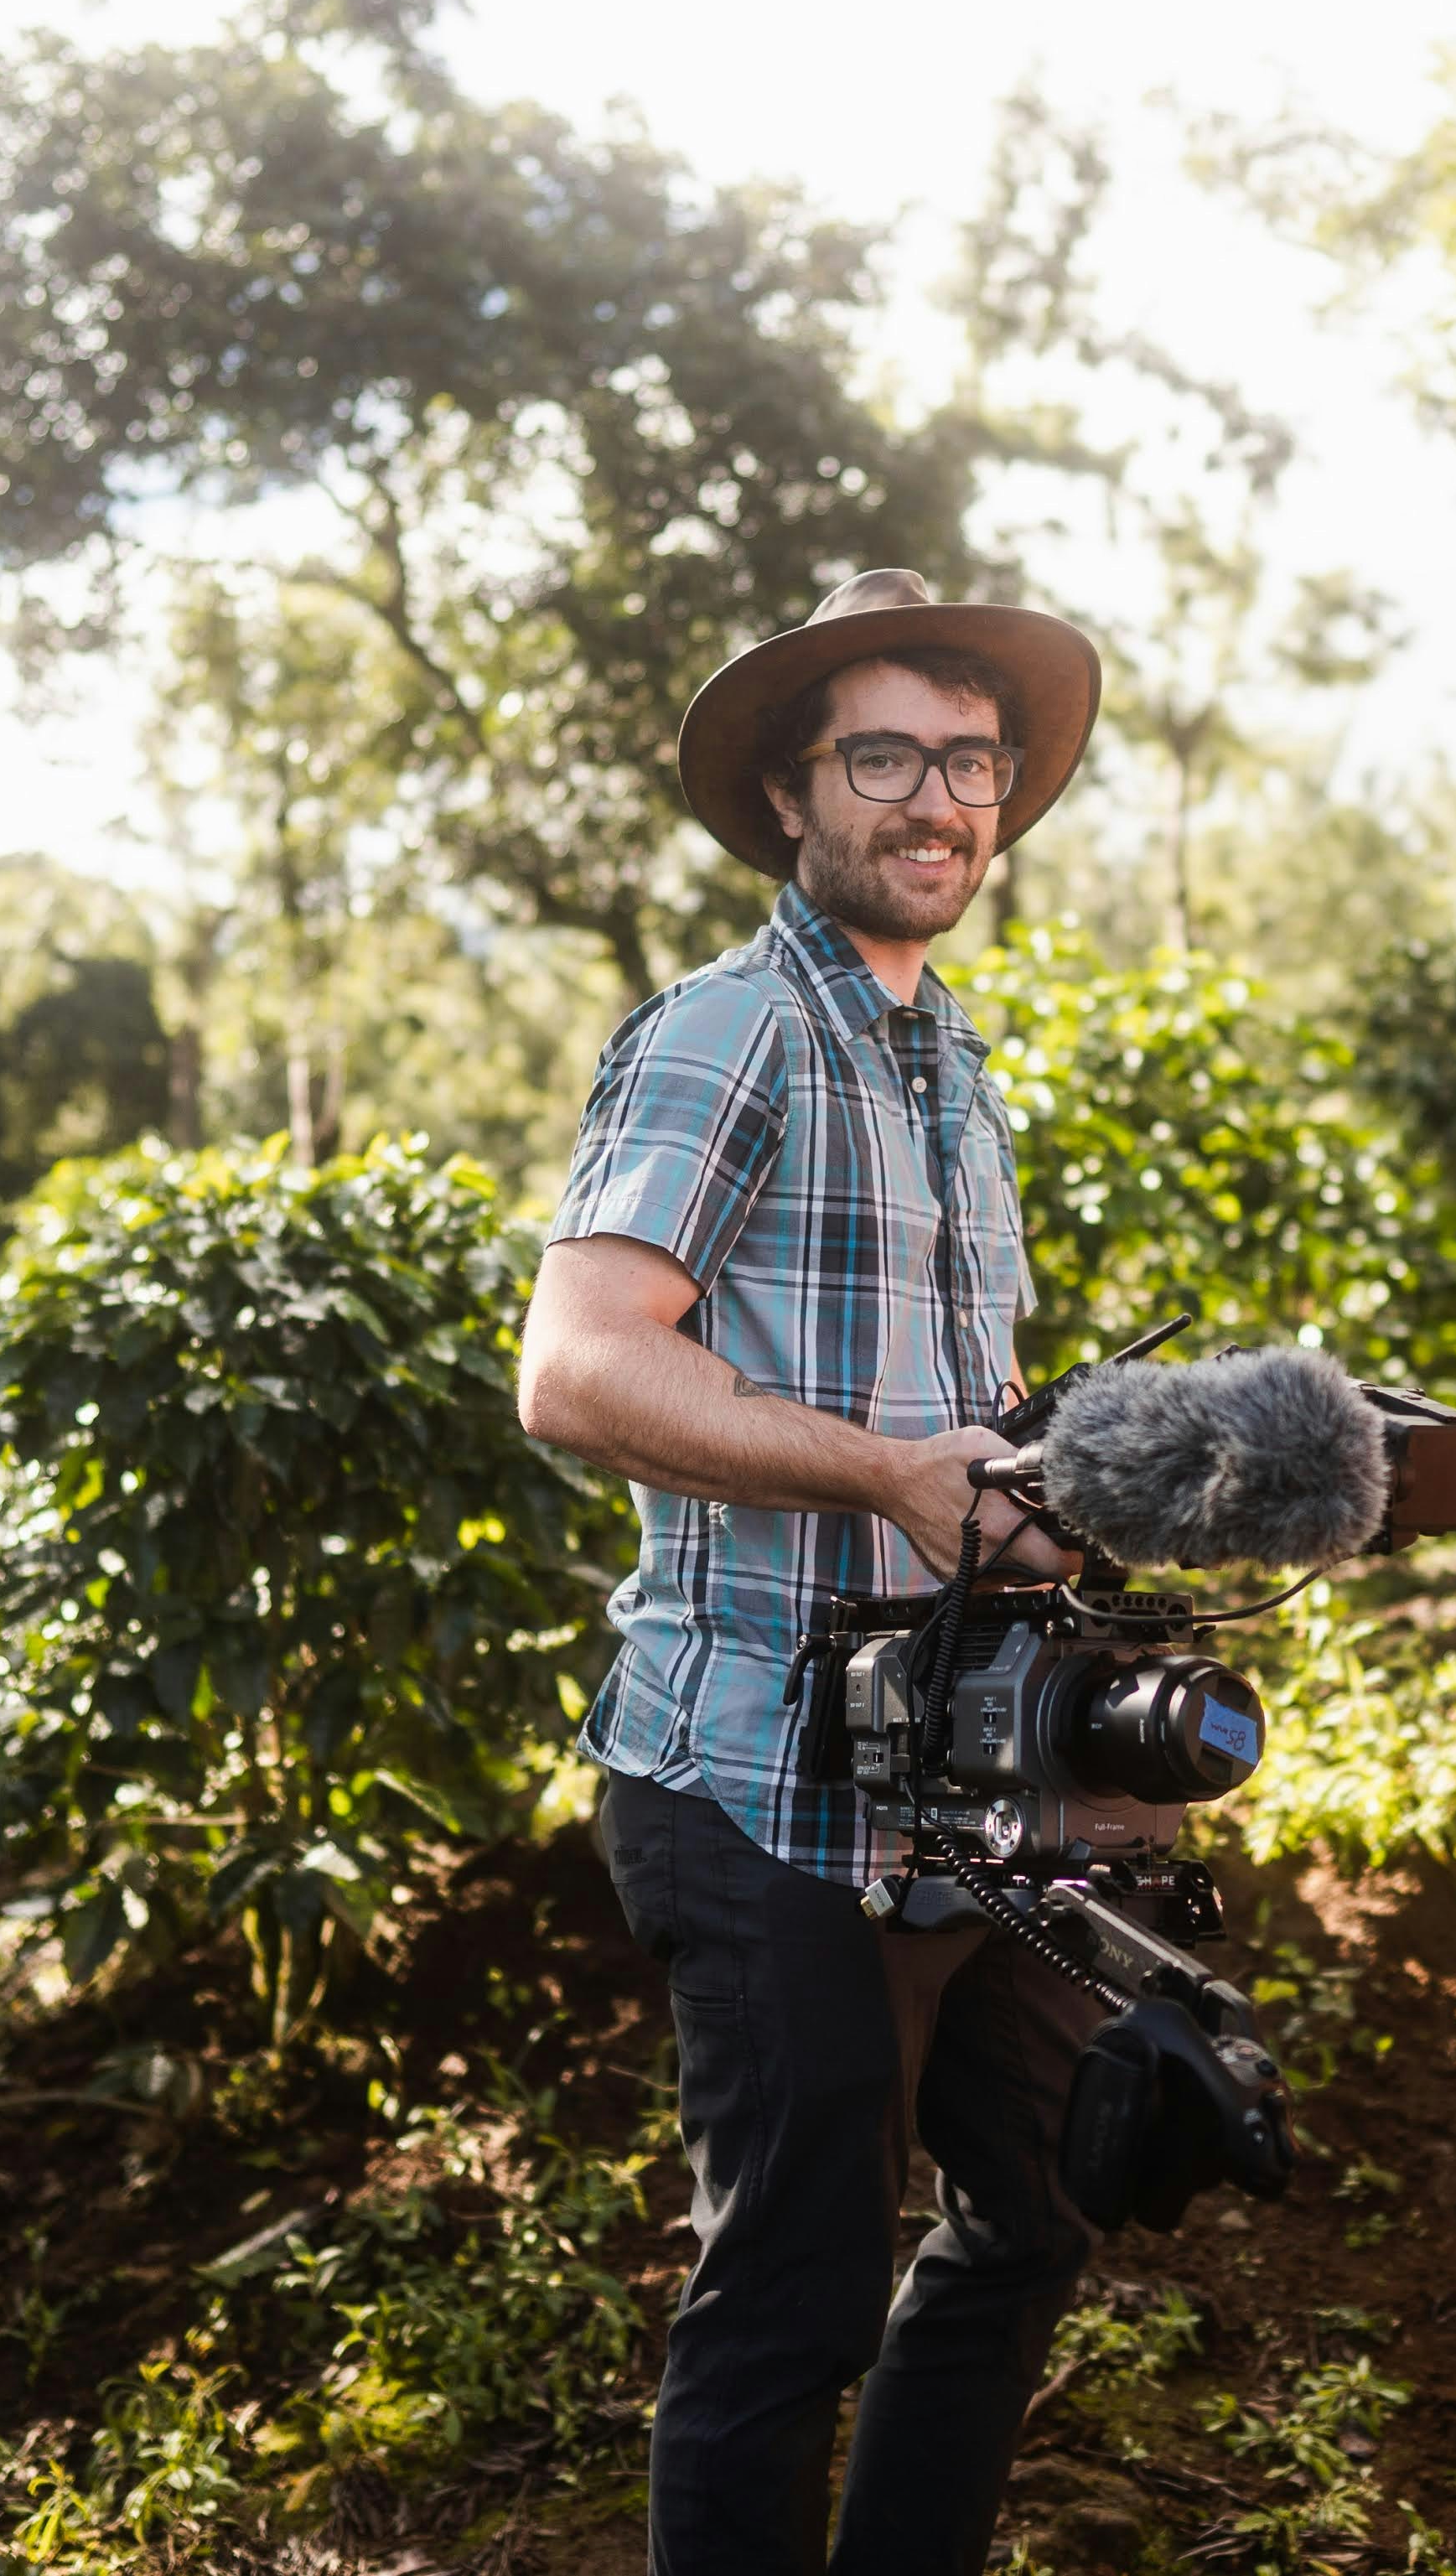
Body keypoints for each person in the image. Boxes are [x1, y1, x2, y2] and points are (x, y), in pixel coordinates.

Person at [518, 567, 1106, 2576]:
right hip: (757, 1769)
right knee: (783, 2307)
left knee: (1038, 2208)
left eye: (971, 761)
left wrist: (1082, 1487)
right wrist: (881, 1474)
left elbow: (965, 1413)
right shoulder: (727, 1034)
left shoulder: (956, 1074)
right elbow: (577, 1369)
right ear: (793, 792)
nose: (938, 799)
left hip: (949, 1773)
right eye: (885, 757)